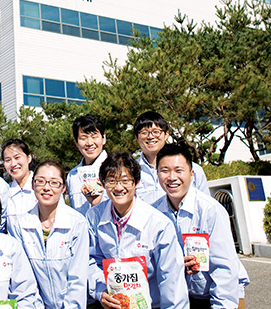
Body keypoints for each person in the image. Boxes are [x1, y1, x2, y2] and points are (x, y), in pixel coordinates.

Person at [86, 151, 188, 309]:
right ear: (103, 183)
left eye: (125, 180)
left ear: (137, 182)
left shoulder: (158, 224)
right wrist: (100, 291)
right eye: (111, 181)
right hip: (114, 304)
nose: (119, 187)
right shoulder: (94, 216)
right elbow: (90, 259)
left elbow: (171, 280)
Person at [153, 144, 241, 308]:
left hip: (211, 296)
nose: (172, 177)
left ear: (192, 174)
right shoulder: (154, 213)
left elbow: (224, 268)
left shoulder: (211, 211)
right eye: (165, 171)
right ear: (157, 174)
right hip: (178, 298)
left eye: (179, 171)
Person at [8, 160, 89, 308]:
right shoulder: (20, 225)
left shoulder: (77, 223)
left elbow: (78, 278)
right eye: (40, 181)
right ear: (32, 185)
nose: (46, 188)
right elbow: (25, 279)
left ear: (63, 187)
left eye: (54, 183)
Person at [133, 111, 209, 204]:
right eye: (144, 132)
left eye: (156, 131)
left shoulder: (193, 169)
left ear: (166, 135)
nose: (150, 136)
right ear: (137, 137)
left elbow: (206, 203)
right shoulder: (131, 171)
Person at [67, 114, 108, 215]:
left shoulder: (116, 169)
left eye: (94, 136)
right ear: (76, 142)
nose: (89, 143)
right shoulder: (72, 175)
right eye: (83, 138)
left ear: (103, 138)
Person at [2, 138, 37, 216]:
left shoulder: (43, 186)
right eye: (8, 160)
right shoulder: (4, 192)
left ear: (29, 158)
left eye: (17, 157)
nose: (13, 164)